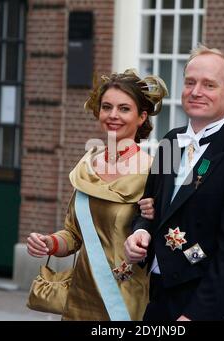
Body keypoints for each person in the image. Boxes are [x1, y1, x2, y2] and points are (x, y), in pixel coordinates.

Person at [124, 45, 224, 321]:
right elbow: (150, 208)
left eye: (209, 85)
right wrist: (139, 233)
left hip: (212, 308)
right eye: (190, 82)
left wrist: (195, 315)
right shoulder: (170, 141)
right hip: (159, 300)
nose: (196, 91)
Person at [26, 69, 168, 321]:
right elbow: (73, 234)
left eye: (124, 109)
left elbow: (160, 236)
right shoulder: (86, 167)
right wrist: (50, 243)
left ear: (141, 117)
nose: (113, 115)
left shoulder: (152, 172)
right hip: (80, 298)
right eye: (107, 107)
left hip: (125, 300)